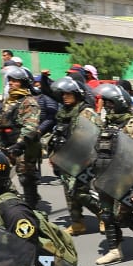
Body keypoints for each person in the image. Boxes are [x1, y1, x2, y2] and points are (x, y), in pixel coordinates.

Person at [93, 84, 133, 265]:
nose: (107, 106)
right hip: (105, 176)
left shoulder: (132, 125)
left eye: (110, 103)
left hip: (124, 179)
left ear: (119, 103)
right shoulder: (106, 124)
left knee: (122, 215)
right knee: (106, 213)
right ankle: (114, 250)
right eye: (106, 103)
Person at [41, 75, 101, 235]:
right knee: (69, 192)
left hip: (82, 160)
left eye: (69, 94)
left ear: (77, 94)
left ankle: (103, 215)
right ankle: (77, 222)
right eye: (63, 94)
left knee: (80, 192)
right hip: (64, 158)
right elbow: (57, 134)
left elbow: (96, 135)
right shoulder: (63, 113)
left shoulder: (86, 112)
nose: (65, 97)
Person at [0, 66, 43, 209]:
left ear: (22, 83)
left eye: (15, 81)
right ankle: (11, 199)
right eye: (9, 80)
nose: (11, 83)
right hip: (7, 143)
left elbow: (30, 126)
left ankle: (31, 205)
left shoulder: (28, 102)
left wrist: (20, 144)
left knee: (25, 177)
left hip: (24, 145)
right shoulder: (9, 101)